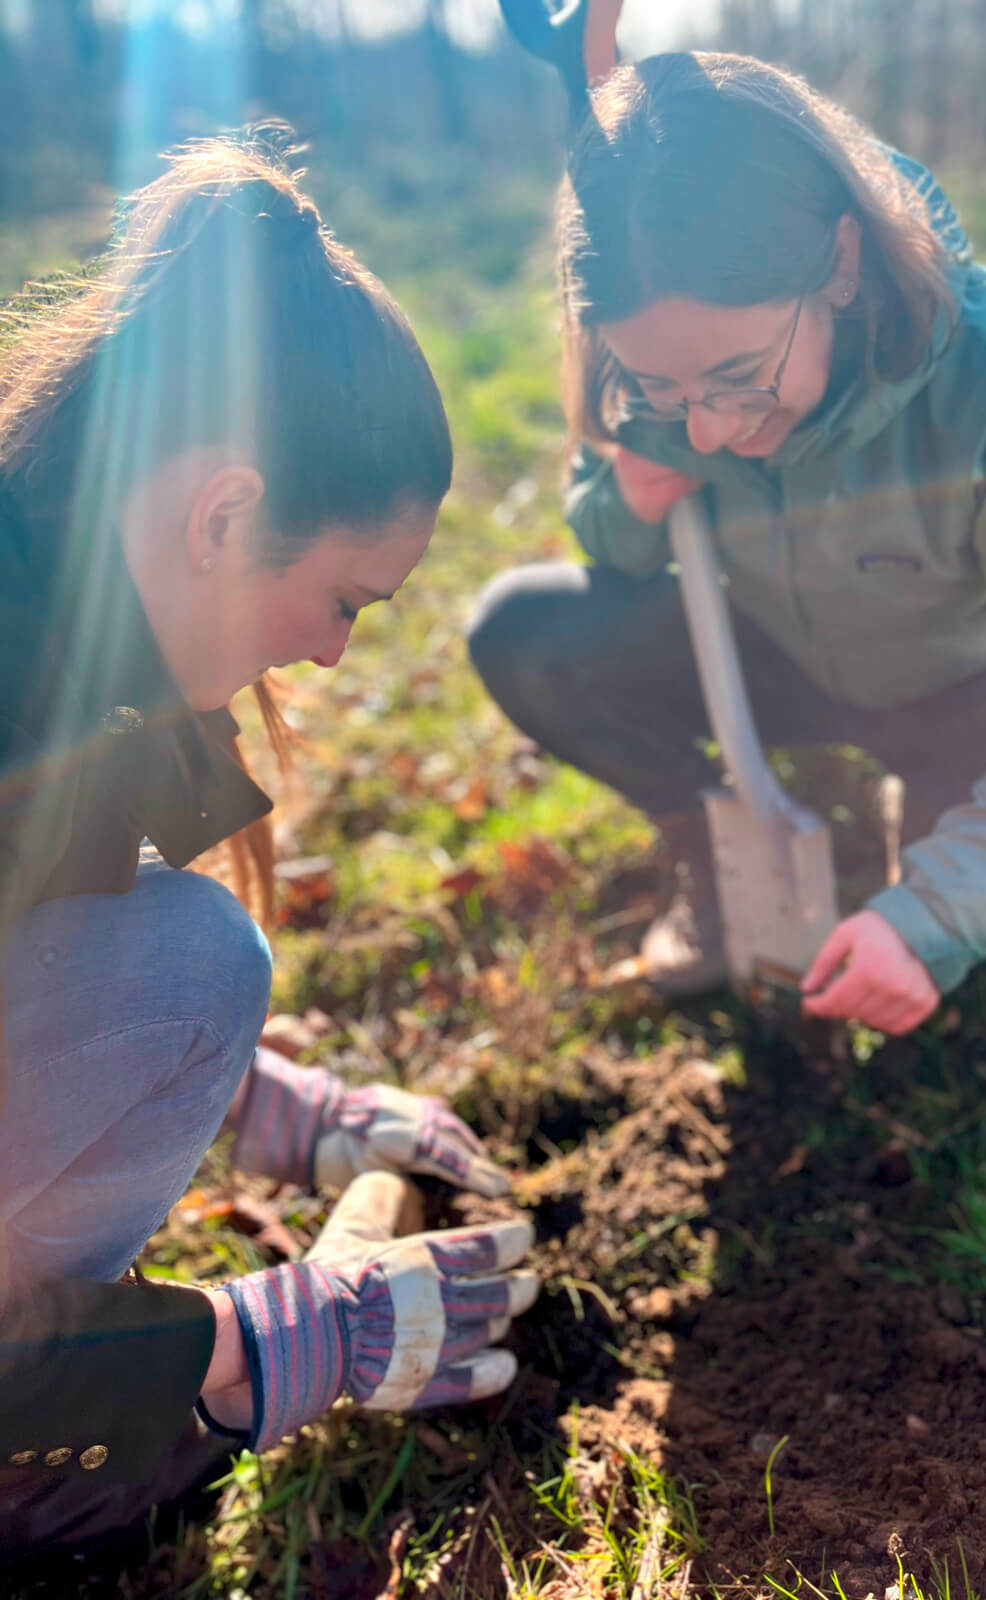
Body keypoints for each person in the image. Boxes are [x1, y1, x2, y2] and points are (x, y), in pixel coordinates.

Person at [0, 130, 538, 1556]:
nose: (336, 654)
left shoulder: (50, 595)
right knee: (196, 956)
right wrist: (245, 1349)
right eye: (349, 601)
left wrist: (268, 1101)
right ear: (225, 514)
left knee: (190, 965)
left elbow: (50, 924)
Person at [468, 51, 986, 1035]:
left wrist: (934, 912)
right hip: (775, 657)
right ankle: (720, 849)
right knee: (523, 634)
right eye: (667, 392)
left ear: (842, 263)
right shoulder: (655, 354)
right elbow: (613, 535)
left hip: (966, 690)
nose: (708, 431)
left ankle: (929, 816)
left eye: (737, 376)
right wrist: (625, 502)